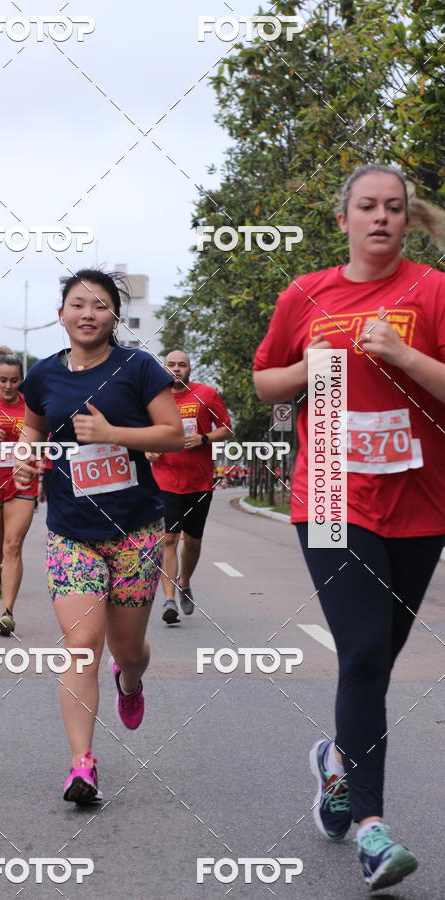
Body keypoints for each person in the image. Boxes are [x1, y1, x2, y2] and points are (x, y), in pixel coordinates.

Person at [253, 164, 445, 891]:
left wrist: (399, 353)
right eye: (367, 206)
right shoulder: (307, 294)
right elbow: (265, 379)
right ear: (344, 219)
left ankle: (337, 759)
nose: (381, 218)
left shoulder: (432, 291)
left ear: (406, 219)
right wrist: (308, 366)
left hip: (422, 495)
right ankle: (373, 829)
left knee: (380, 657)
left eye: (394, 208)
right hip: (330, 488)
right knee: (363, 651)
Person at [14, 268, 183, 805]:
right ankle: (81, 765)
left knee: (127, 648)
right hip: (72, 530)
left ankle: (129, 681)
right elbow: (34, 426)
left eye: (101, 305)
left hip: (134, 529)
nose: (88, 313)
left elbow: (173, 434)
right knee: (80, 645)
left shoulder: (137, 367)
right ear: (61, 312)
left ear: (115, 315)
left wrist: (114, 434)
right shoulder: (42, 375)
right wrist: (25, 457)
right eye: (78, 304)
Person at [145, 350, 232, 624]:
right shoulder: (153, 398)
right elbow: (142, 433)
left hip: (199, 480)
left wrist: (204, 438)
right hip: (165, 479)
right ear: (164, 368)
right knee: (169, 538)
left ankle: (184, 582)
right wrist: (148, 450)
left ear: (190, 369)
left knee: (192, 541)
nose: (176, 369)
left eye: (181, 365)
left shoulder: (206, 394)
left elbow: (227, 429)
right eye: (171, 364)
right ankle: (169, 600)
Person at [0, 348, 37, 635]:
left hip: (22, 484)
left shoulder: (32, 407)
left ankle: (7, 612)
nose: (8, 386)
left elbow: (43, 441)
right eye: (3, 380)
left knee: (12, 546)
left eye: (14, 380)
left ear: (21, 381)